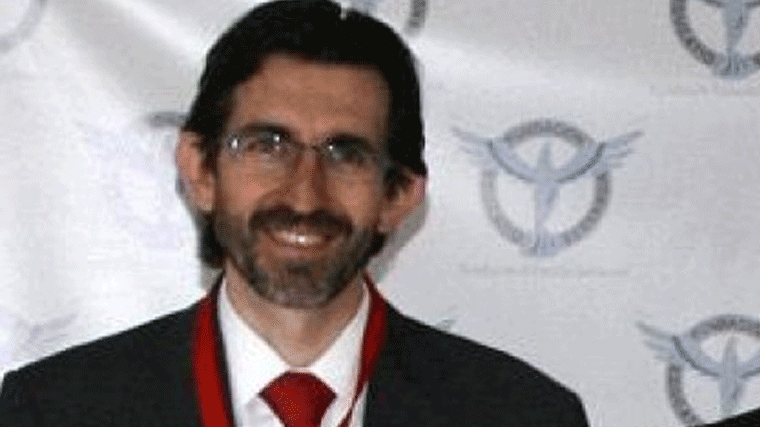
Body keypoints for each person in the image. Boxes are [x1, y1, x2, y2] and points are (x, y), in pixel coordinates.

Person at [0, 1, 589, 426]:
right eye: (267, 145)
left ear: (399, 195)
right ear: (200, 170)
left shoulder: (521, 415)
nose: (305, 196)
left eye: (347, 154)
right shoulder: (56, 411)